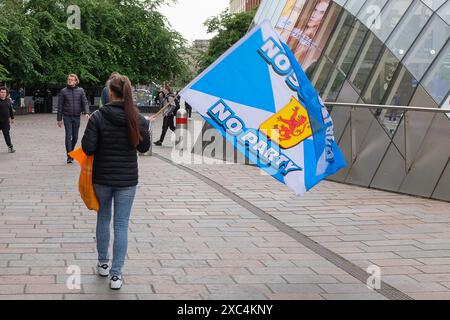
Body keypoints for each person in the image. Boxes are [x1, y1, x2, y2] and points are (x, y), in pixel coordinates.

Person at [81, 74, 150, 290]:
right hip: (128, 179)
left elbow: (88, 148)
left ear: (110, 93)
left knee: (103, 218)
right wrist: (145, 127)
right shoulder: (137, 118)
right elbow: (143, 148)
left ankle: (103, 262)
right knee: (121, 224)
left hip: (101, 177)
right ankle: (116, 274)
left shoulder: (98, 117)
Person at [57, 74, 90, 163]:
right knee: (68, 136)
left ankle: (71, 151)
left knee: (75, 137)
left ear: (76, 81)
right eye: (69, 79)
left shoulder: (81, 91)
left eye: (72, 79)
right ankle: (69, 156)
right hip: (67, 116)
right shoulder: (63, 91)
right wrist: (59, 119)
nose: (70, 81)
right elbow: (60, 106)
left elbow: (85, 102)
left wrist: (87, 112)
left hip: (76, 116)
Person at [0, 87, 16, 153]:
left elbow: (10, 110)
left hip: (5, 121)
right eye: (1, 92)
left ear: (6, 93)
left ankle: (10, 147)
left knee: (7, 134)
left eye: (4, 92)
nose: (3, 94)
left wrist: (12, 118)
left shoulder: (8, 100)